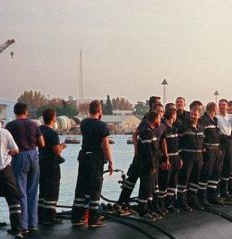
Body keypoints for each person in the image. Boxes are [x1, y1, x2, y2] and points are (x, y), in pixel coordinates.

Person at [71, 100, 113, 228]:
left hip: (84, 157)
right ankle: (93, 219)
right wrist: (110, 161)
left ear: (89, 110)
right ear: (100, 111)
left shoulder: (83, 123)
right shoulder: (102, 126)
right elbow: (105, 146)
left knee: (82, 187)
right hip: (96, 159)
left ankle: (77, 217)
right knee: (95, 188)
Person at [5, 103, 45, 232]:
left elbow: (6, 145)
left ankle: (23, 225)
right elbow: (42, 143)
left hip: (19, 156)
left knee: (21, 191)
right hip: (34, 155)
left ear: (15, 112)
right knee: (33, 191)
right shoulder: (34, 124)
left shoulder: (10, 125)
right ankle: (33, 223)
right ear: (26, 112)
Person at [117, 96, 161, 210]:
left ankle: (149, 204)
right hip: (143, 157)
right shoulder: (147, 120)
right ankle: (123, 201)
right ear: (153, 106)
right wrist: (136, 151)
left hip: (150, 156)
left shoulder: (157, 121)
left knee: (149, 182)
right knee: (133, 178)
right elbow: (135, 135)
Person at [38, 108, 66, 224]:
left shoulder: (39, 130)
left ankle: (40, 213)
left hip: (41, 162)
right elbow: (56, 151)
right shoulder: (52, 133)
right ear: (53, 118)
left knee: (43, 189)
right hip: (52, 165)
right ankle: (50, 216)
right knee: (53, 189)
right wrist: (62, 146)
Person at [177, 102, 204, 210]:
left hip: (198, 156)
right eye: (191, 114)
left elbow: (204, 141)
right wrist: (179, 157)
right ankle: (182, 202)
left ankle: (193, 200)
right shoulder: (184, 127)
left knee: (195, 180)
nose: (192, 116)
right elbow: (177, 143)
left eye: (195, 115)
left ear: (199, 116)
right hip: (187, 156)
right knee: (184, 179)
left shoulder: (201, 128)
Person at [136, 111, 160, 220]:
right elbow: (148, 152)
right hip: (146, 165)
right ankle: (143, 211)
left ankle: (149, 209)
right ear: (155, 119)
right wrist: (152, 166)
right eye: (159, 118)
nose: (160, 120)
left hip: (152, 164)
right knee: (145, 188)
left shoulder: (152, 131)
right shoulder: (146, 132)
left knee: (150, 188)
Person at [158, 107, 180, 211]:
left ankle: (169, 203)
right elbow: (161, 145)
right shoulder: (163, 128)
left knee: (173, 182)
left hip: (175, 157)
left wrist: (179, 158)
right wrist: (163, 159)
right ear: (173, 115)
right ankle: (161, 205)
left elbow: (176, 145)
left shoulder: (174, 127)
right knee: (164, 182)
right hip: (167, 158)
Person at [200, 102, 222, 205]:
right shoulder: (204, 121)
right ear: (214, 109)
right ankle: (202, 197)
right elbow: (201, 136)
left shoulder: (215, 121)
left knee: (215, 173)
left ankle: (212, 196)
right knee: (206, 173)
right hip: (209, 150)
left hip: (216, 150)